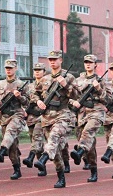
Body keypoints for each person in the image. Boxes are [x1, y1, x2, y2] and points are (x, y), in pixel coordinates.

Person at [31, 50, 78, 188]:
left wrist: (66, 85)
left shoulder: (68, 77)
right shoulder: (44, 79)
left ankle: (44, 158)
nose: (52, 62)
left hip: (62, 115)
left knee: (54, 137)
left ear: (60, 60)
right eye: (50, 59)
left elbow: (77, 95)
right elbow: (34, 93)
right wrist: (38, 101)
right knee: (55, 150)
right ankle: (61, 176)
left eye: (55, 59)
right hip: (47, 117)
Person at [70, 54, 111, 183]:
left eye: (90, 62)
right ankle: (93, 170)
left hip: (96, 112)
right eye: (86, 62)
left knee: (87, 133)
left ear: (95, 65)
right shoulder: (77, 81)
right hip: (81, 114)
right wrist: (74, 102)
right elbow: (70, 96)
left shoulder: (101, 81)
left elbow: (108, 100)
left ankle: (79, 151)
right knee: (89, 144)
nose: (88, 64)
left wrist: (99, 89)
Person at [0, 59, 28, 180]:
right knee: (12, 144)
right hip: (4, 116)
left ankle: (2, 150)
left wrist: (20, 97)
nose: (8, 70)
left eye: (11, 68)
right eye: (7, 68)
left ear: (15, 69)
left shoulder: (21, 84)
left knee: (10, 132)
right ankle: (16, 168)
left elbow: (28, 102)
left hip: (17, 114)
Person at [22, 63, 47, 173]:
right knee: (35, 141)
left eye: (39, 70)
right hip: (31, 116)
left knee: (37, 137)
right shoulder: (29, 86)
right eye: (35, 70)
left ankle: (31, 157)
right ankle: (41, 165)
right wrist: (24, 110)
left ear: (44, 72)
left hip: (43, 116)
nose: (37, 72)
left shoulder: (48, 85)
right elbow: (26, 101)